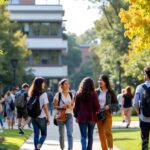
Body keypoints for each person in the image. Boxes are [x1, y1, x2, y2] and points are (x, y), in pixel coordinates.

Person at [74, 77, 100, 150]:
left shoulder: (79, 94)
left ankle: (84, 149)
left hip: (81, 117)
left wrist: (76, 116)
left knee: (83, 136)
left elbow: (76, 107)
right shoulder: (94, 94)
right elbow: (97, 107)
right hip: (92, 117)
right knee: (90, 136)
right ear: (92, 84)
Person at [96, 74, 118, 150]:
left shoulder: (111, 92)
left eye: (101, 80)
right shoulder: (96, 92)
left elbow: (115, 103)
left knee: (107, 131)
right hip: (98, 114)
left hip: (107, 113)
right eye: (99, 80)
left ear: (105, 81)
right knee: (101, 134)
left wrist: (109, 106)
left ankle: (111, 148)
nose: (99, 81)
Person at [28, 77, 50, 150]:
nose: (44, 84)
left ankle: (36, 148)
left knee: (36, 135)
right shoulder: (43, 94)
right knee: (44, 134)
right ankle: (39, 145)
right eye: (43, 82)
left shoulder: (32, 93)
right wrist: (48, 117)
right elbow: (46, 107)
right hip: (41, 117)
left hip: (34, 117)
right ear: (40, 84)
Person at [53, 78, 74, 150]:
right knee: (61, 134)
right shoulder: (58, 95)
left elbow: (73, 105)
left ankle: (70, 148)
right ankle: (62, 147)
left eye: (68, 84)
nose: (68, 85)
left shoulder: (71, 94)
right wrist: (62, 107)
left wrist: (70, 106)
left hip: (69, 115)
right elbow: (54, 106)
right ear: (62, 85)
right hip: (60, 116)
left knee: (69, 133)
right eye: (66, 84)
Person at [133, 66, 150, 150]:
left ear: (146, 75)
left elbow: (135, 103)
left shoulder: (140, 87)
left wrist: (138, 112)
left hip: (144, 118)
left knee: (145, 141)